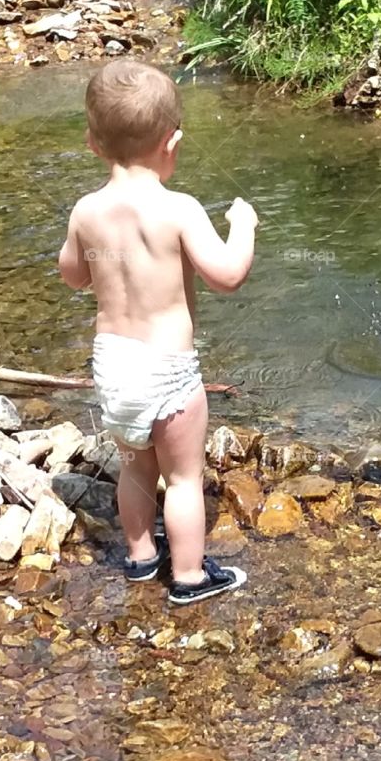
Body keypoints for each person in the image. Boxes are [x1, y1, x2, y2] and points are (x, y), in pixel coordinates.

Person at [58, 58, 257, 605]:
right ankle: (190, 578)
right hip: (167, 372)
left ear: (93, 144)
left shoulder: (86, 210)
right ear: (172, 144)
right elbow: (228, 275)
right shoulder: (179, 209)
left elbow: (73, 276)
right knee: (185, 478)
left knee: (133, 466)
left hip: (113, 366)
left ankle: (142, 555)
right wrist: (243, 226)